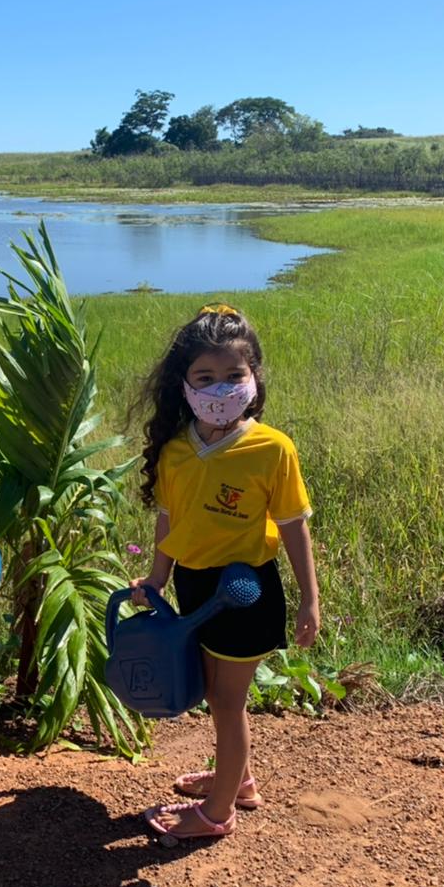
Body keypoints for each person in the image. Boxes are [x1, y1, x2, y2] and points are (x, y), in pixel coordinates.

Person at [129, 304, 320, 840]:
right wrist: (157, 579)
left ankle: (216, 815)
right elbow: (170, 518)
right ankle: (238, 781)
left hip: (244, 591)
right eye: (205, 378)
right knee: (216, 693)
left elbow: (292, 526)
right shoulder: (175, 450)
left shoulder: (271, 449)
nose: (220, 389)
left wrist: (310, 599)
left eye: (234, 376)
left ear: (254, 378)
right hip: (192, 584)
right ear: (184, 386)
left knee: (227, 700)